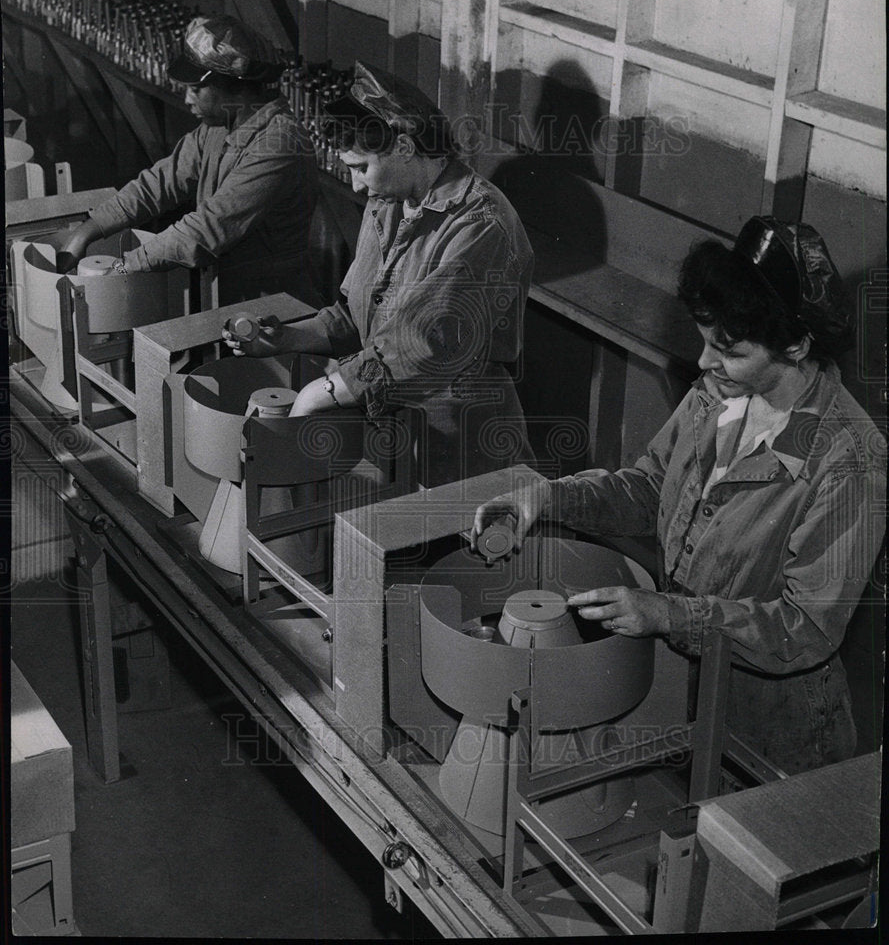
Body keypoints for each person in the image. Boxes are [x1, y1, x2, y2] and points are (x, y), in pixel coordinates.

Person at [472, 216, 886, 776]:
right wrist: (546, 499)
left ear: (796, 344)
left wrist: (670, 615)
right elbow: (648, 487)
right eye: (705, 340)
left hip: (770, 725)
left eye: (730, 349)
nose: (704, 362)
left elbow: (805, 629)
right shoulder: (718, 396)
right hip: (681, 685)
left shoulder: (849, 460)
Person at [224, 61, 535, 488]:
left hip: (463, 449)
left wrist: (324, 391)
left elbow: (425, 343)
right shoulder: (387, 201)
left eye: (360, 167)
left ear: (405, 147)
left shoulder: (480, 225)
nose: (354, 185)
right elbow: (358, 315)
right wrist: (289, 338)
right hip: (394, 434)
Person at [57, 15, 322, 307]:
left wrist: (122, 267)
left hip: (275, 307)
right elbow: (160, 183)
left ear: (235, 87)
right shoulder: (219, 126)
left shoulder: (279, 143)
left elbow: (207, 229)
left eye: (196, 89)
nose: (186, 99)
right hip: (227, 294)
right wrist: (88, 230)